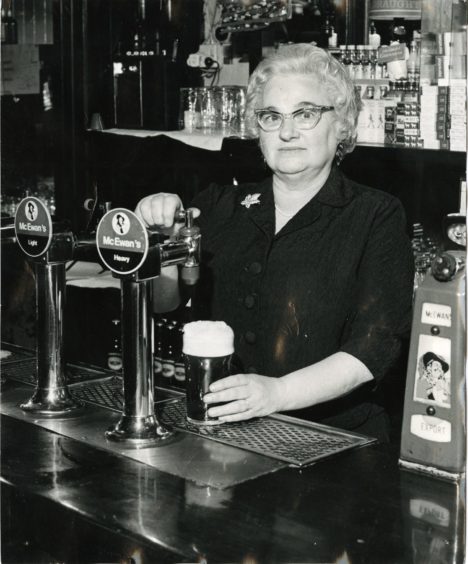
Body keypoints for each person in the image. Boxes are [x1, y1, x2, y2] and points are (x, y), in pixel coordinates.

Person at [136, 44, 414, 441]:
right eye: (272, 116)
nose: (287, 132)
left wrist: (277, 393)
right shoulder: (219, 205)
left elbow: (375, 347)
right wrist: (161, 243)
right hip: (221, 428)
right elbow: (165, 301)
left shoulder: (375, 215)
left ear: (341, 125)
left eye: (305, 114)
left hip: (334, 441)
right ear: (257, 130)